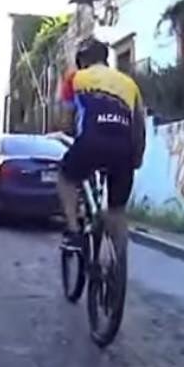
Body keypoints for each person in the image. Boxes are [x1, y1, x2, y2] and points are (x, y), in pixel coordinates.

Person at [57, 37, 146, 252]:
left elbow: (65, 120)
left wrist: (70, 133)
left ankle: (73, 230)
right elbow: (139, 127)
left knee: (65, 178)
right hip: (123, 148)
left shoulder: (75, 78)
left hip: (91, 141)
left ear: (82, 60)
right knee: (117, 212)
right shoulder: (129, 84)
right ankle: (119, 266)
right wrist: (137, 158)